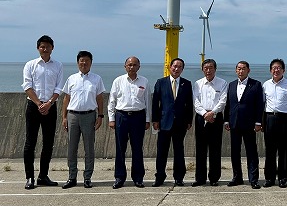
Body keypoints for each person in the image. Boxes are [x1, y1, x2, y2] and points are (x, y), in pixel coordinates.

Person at [22, 34, 64, 190]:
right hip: (34, 106)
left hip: (50, 107)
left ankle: (43, 176)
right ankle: (29, 177)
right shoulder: (30, 65)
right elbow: (27, 87)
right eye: (42, 46)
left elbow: (59, 87)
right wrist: (39, 104)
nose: (45, 49)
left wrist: (49, 103)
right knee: (30, 143)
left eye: (48, 47)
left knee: (48, 143)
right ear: (38, 48)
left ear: (52, 48)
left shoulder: (58, 65)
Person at [60, 50, 105, 189]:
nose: (84, 63)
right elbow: (66, 99)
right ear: (77, 62)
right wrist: (64, 117)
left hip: (89, 116)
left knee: (89, 148)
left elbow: (99, 99)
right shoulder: (71, 79)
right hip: (73, 116)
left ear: (91, 63)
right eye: (81, 60)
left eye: (87, 61)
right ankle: (72, 177)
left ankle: (87, 177)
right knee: (71, 148)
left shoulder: (97, 79)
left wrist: (100, 116)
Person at [108, 56, 151, 189]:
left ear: (139, 67)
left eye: (134, 65)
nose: (132, 67)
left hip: (138, 117)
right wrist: (111, 119)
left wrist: (147, 119)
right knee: (120, 148)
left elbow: (148, 102)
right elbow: (112, 101)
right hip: (122, 116)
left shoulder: (144, 81)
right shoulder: (118, 81)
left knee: (137, 148)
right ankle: (119, 177)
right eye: (129, 65)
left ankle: (138, 178)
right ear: (125, 66)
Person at [151, 57, 193, 187]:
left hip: (180, 123)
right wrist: (155, 120)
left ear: (182, 69)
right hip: (164, 122)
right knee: (161, 151)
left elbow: (189, 104)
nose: (176, 69)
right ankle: (159, 177)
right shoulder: (161, 82)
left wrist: (189, 120)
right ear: (170, 67)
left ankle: (179, 177)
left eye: (179, 67)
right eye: (174, 66)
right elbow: (155, 103)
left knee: (179, 151)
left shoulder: (187, 84)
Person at [224, 61, 264, 189]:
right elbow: (228, 104)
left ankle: (253, 179)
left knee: (251, 152)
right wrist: (226, 120)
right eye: (239, 69)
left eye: (243, 69)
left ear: (248, 70)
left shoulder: (256, 84)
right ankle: (237, 177)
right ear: (236, 70)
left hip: (249, 124)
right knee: (235, 152)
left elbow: (259, 105)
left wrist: (258, 122)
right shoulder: (231, 85)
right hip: (234, 123)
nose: (241, 71)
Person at [262, 58, 287, 188]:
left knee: (283, 150)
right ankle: (269, 178)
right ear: (270, 70)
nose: (276, 70)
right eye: (274, 68)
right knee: (270, 150)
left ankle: (283, 178)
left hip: (284, 119)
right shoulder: (266, 85)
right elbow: (263, 104)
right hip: (269, 118)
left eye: (279, 68)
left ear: (283, 70)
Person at [192, 59, 227, 187]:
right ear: (202, 69)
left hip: (216, 117)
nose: (208, 70)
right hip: (201, 117)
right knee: (200, 149)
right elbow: (195, 101)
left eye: (211, 68)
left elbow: (223, 101)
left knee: (215, 149)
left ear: (215, 69)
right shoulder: (198, 83)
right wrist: (204, 114)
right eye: (206, 68)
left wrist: (212, 113)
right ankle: (200, 178)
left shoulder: (222, 83)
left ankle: (214, 178)